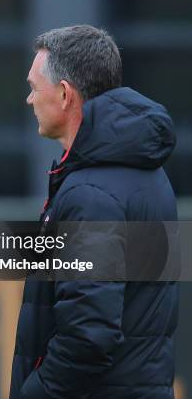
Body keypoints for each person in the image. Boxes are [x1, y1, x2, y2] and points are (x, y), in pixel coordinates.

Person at [10, 25, 178, 399]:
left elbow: (89, 334)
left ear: (65, 94)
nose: (29, 100)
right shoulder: (146, 172)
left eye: (35, 88)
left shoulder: (92, 193)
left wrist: (35, 393)